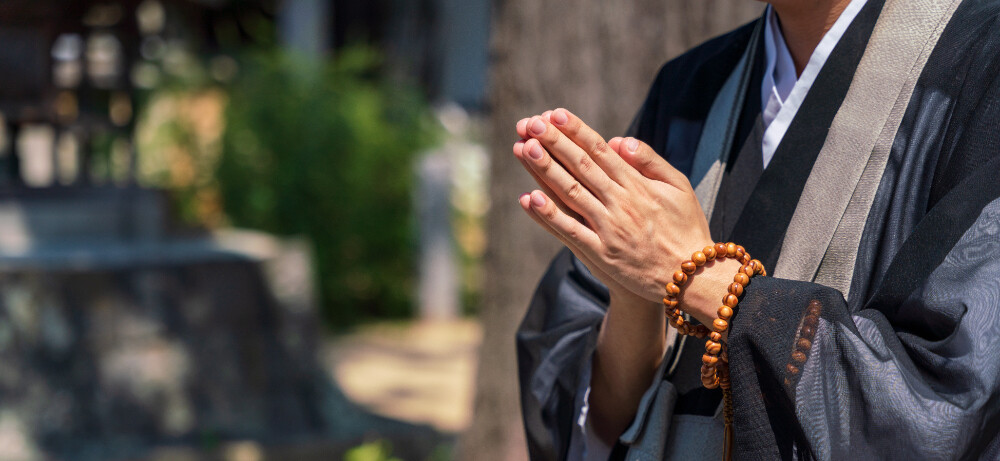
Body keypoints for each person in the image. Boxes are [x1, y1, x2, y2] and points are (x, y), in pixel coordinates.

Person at [513, 0, 1000, 459]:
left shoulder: (982, 60)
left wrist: (700, 279)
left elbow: (951, 407)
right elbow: (594, 419)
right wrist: (633, 287)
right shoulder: (690, 89)